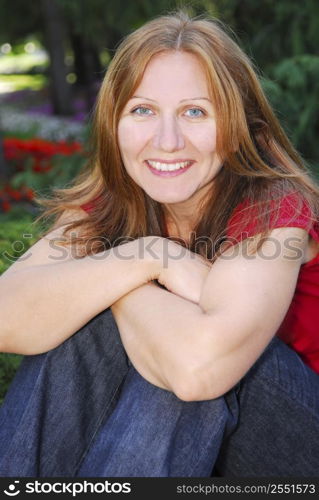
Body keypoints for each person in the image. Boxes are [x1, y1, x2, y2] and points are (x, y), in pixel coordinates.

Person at [0, 11, 319, 477]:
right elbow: (8, 313)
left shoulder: (274, 206)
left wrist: (118, 280)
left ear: (237, 126)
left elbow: (197, 369)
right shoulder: (113, 201)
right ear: (114, 124)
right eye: (143, 110)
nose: (167, 142)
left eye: (195, 112)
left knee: (171, 347)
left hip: (298, 444)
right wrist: (149, 255)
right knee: (106, 320)